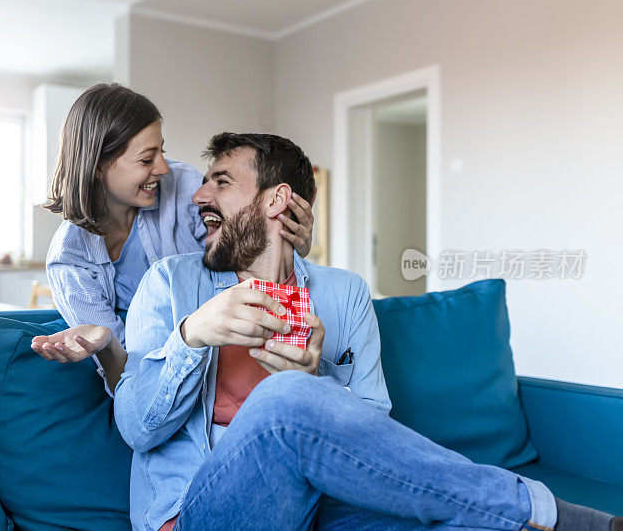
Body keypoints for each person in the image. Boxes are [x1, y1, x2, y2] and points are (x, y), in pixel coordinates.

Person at [111, 132, 621, 531]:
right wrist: (193, 334)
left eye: (221, 181)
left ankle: (525, 515)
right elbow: (136, 428)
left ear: (275, 200)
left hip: (320, 507)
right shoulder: (171, 284)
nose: (199, 194)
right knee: (285, 397)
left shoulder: (343, 294)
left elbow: (375, 423)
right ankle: (548, 509)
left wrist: (317, 378)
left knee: (461, 521)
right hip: (201, 511)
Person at [30, 84, 314, 391]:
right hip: (167, 378)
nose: (162, 168)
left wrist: (293, 246)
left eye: (161, 152)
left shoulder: (184, 185)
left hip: (230, 347)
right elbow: (129, 376)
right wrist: (108, 343)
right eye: (146, 159)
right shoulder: (68, 260)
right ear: (98, 166)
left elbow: (245, 250)